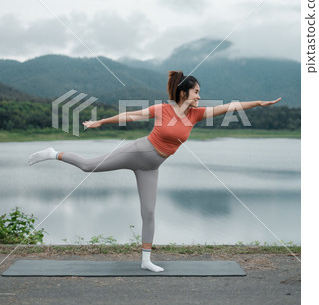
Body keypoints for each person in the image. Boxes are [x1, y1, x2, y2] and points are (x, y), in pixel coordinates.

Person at [28, 70, 281, 272]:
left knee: (148, 212)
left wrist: (258, 103)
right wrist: (100, 122)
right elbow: (131, 115)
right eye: (196, 92)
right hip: (138, 151)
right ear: (184, 92)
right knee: (88, 166)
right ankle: (53, 153)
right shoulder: (163, 110)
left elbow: (230, 108)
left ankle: (145, 260)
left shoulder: (196, 115)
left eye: (200, 93)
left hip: (152, 166)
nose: (199, 97)